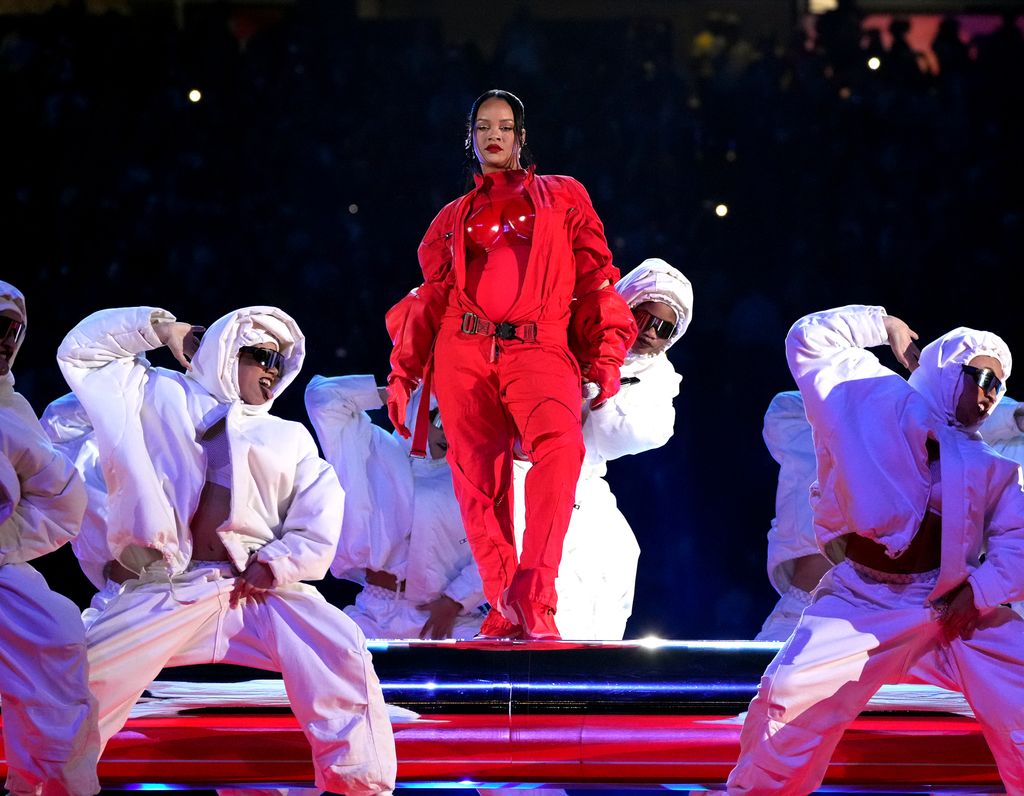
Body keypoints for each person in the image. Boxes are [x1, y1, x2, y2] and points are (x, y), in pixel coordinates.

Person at [57, 304, 396, 796]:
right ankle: (51, 784)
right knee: (82, 678)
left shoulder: (288, 434)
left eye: (280, 361)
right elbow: (83, 355)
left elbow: (321, 509)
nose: (272, 370)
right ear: (227, 351)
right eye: (261, 356)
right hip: (169, 587)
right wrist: (160, 328)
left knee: (340, 646)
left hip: (259, 589)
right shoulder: (155, 395)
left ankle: (359, 787)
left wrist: (280, 562)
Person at [727, 304, 1024, 793]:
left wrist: (981, 591)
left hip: (950, 609)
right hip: (863, 602)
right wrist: (882, 326)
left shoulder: (991, 465)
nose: (990, 396)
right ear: (949, 369)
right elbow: (808, 340)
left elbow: (1015, 542)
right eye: (981, 378)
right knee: (788, 699)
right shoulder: (873, 397)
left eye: (999, 386)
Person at [385, 89, 636, 640]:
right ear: (469, 139)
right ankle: (503, 607)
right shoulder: (451, 217)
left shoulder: (563, 195)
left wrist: (606, 351)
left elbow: (595, 277)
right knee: (477, 483)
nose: (492, 136)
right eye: (482, 127)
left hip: (539, 344)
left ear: (522, 137)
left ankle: (534, 593)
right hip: (463, 349)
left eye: (503, 127)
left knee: (562, 447)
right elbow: (431, 297)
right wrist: (404, 373)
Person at [512, 258, 692, 640]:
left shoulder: (657, 375)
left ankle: (587, 669)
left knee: (618, 553)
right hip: (521, 468)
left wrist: (601, 389)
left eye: (664, 328)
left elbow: (638, 433)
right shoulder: (569, 328)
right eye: (643, 317)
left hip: (582, 477)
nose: (650, 333)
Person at [0, 280, 100, 796]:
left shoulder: (12, 411)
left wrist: (5, 543)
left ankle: (38, 783)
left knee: (59, 635)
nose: (4, 339)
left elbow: (64, 503)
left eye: (12, 329)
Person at [305, 373, 486, 640]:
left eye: (457, 420)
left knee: (494, 673)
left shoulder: (475, 476)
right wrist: (403, 393)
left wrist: (458, 600)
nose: (446, 430)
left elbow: (497, 550)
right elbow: (323, 398)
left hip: (449, 618)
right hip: (375, 610)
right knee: (324, 661)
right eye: (437, 416)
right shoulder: (374, 449)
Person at [753, 391, 834, 642]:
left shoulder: (917, 449)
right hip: (801, 610)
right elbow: (787, 407)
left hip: (880, 617)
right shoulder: (801, 428)